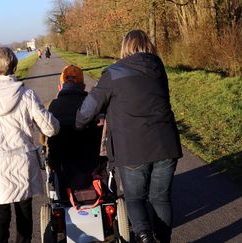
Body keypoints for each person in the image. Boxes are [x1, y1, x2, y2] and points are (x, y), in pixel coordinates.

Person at [76, 29, 182, 243]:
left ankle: (144, 237)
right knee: (160, 199)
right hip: (166, 144)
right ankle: (162, 239)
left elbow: (87, 110)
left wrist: (80, 123)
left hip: (133, 147)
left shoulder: (113, 73)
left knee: (135, 198)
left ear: (125, 47)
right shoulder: (158, 67)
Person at [0, 47, 60, 243]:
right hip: (22, 163)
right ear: (14, 66)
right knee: (24, 213)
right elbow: (49, 128)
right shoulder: (25, 94)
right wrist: (55, 124)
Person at [44, 65, 106, 199]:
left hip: (63, 161)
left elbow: (45, 137)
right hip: (91, 160)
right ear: (83, 85)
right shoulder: (92, 104)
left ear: (61, 85)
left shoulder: (53, 106)